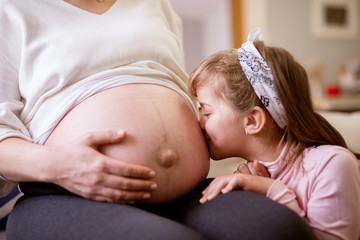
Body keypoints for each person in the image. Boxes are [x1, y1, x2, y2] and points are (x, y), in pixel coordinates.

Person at [0, 0, 317, 238]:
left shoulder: (153, 3)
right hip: (67, 195)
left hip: (189, 193)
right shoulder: (11, 10)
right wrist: (60, 166)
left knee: (279, 229)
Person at [188, 28, 360, 240]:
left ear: (252, 121)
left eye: (207, 112)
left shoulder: (333, 164)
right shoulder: (250, 175)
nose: (200, 123)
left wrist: (273, 191)